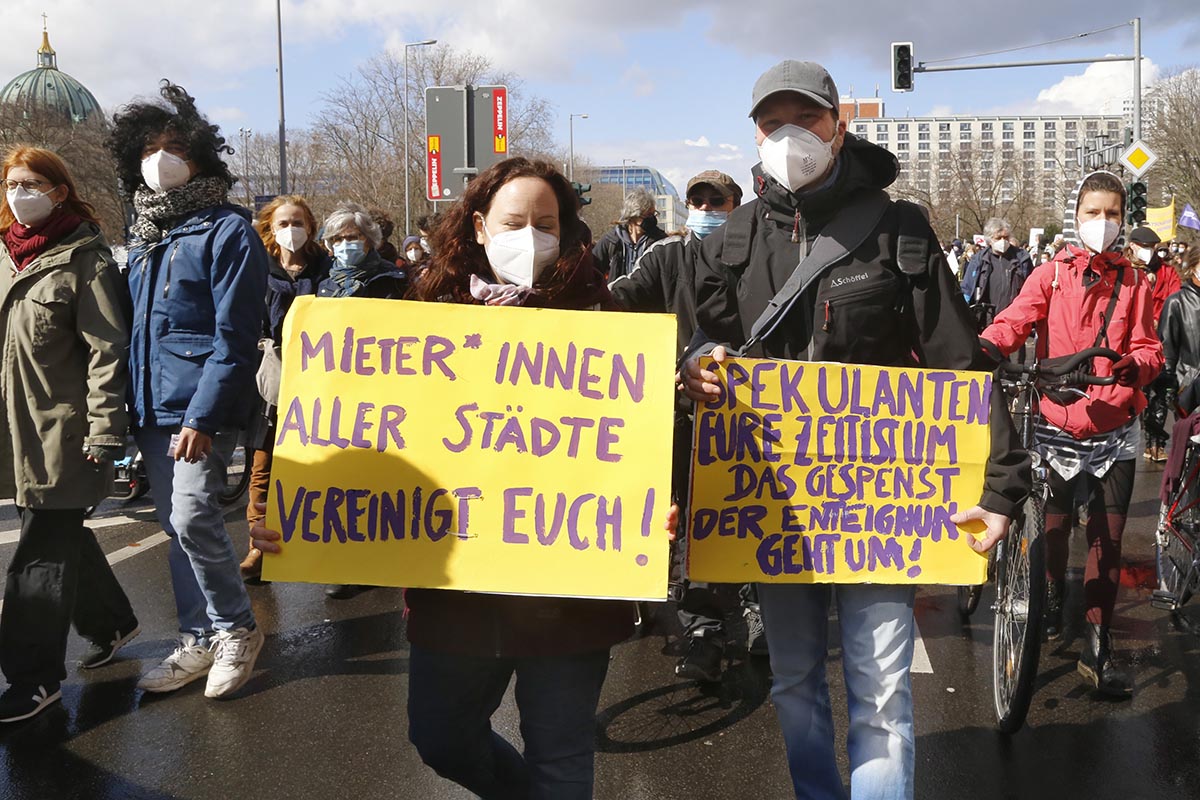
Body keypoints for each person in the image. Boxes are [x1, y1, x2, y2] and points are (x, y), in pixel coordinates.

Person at [252, 157, 660, 798]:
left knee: (561, 758)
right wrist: (299, 509)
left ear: (567, 229)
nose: (531, 236)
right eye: (515, 221)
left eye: (546, 223)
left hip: (572, 596)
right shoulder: (422, 314)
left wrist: (656, 505)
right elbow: (363, 441)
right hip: (457, 598)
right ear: (478, 226)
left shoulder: (604, 319)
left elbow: (641, 440)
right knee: (440, 737)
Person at [682, 60, 1029, 799]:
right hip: (775, 507)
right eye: (772, 122)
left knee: (881, 694)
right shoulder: (731, 239)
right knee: (795, 682)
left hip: (881, 507)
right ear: (755, 132)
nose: (787, 135)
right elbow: (699, 346)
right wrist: (699, 368)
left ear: (838, 127)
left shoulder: (898, 228)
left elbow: (958, 362)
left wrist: (1003, 485)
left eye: (804, 119)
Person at [107, 81, 268, 699]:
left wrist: (202, 416)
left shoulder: (228, 231)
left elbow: (235, 336)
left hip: (202, 406)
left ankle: (236, 629)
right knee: (176, 528)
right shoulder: (145, 237)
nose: (160, 158)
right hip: (151, 407)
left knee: (194, 513)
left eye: (174, 146)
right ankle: (198, 636)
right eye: (149, 149)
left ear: (199, 156)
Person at [981, 170, 1163, 696]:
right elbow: (1015, 320)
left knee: (1106, 541)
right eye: (1092, 213)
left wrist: (1137, 367)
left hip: (1115, 426)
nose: (1102, 223)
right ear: (1076, 216)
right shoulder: (1050, 275)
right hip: (1055, 422)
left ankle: (1097, 643)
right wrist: (986, 349)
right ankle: (1051, 602)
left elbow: (1150, 347)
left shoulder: (1135, 282)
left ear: (1123, 220)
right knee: (1052, 531)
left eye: (1112, 214)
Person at [0, 146, 140, 722]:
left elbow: (108, 354)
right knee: (56, 534)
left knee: (37, 556)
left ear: (59, 190)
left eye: (30, 183)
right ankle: (112, 621)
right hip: (15, 430)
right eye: (10, 184)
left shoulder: (87, 260)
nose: (18, 193)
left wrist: (106, 433)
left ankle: (33, 678)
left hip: (66, 434)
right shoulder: (8, 258)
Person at [609, 169, 763, 683]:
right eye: (696, 199)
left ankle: (757, 606)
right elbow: (619, 302)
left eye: (715, 200)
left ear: (735, 203)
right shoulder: (666, 257)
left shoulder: (763, 255)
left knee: (749, 512)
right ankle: (701, 628)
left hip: (750, 417)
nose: (704, 208)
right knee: (693, 517)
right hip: (677, 412)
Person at [239, 195, 331, 581]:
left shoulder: (328, 269)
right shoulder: (255, 269)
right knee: (263, 468)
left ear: (310, 227)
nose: (291, 229)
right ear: (270, 230)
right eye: (283, 223)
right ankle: (258, 549)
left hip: (321, 383)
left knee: (326, 470)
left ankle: (334, 551)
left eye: (298, 222)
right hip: (271, 385)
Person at [1127, 226, 1179, 462]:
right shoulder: (1124, 270)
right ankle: (1128, 438)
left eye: (1153, 248)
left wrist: (1160, 320)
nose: (1150, 252)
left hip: (1161, 340)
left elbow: (1174, 300)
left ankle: (1155, 442)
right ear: (1133, 246)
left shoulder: (1168, 273)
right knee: (1136, 394)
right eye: (1145, 247)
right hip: (1131, 344)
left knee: (1159, 395)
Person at [317, 202, 407, 300]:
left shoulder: (393, 279)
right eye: (337, 239)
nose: (345, 244)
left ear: (369, 240)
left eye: (352, 237)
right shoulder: (325, 286)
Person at [959, 217, 1034, 331]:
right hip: (985, 322)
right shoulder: (978, 261)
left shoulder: (1021, 258)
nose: (1003, 241)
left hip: (1014, 322)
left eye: (1006, 237)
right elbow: (967, 290)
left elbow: (1031, 289)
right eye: (998, 238)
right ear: (989, 239)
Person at [1158, 248, 1200, 421]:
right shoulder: (1177, 302)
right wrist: (1168, 388)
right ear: (1192, 267)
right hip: (1190, 390)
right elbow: (1167, 349)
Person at [591, 188, 666, 280]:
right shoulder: (611, 241)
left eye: (654, 214)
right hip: (617, 293)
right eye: (648, 215)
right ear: (633, 217)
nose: (652, 218)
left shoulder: (660, 241)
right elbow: (592, 273)